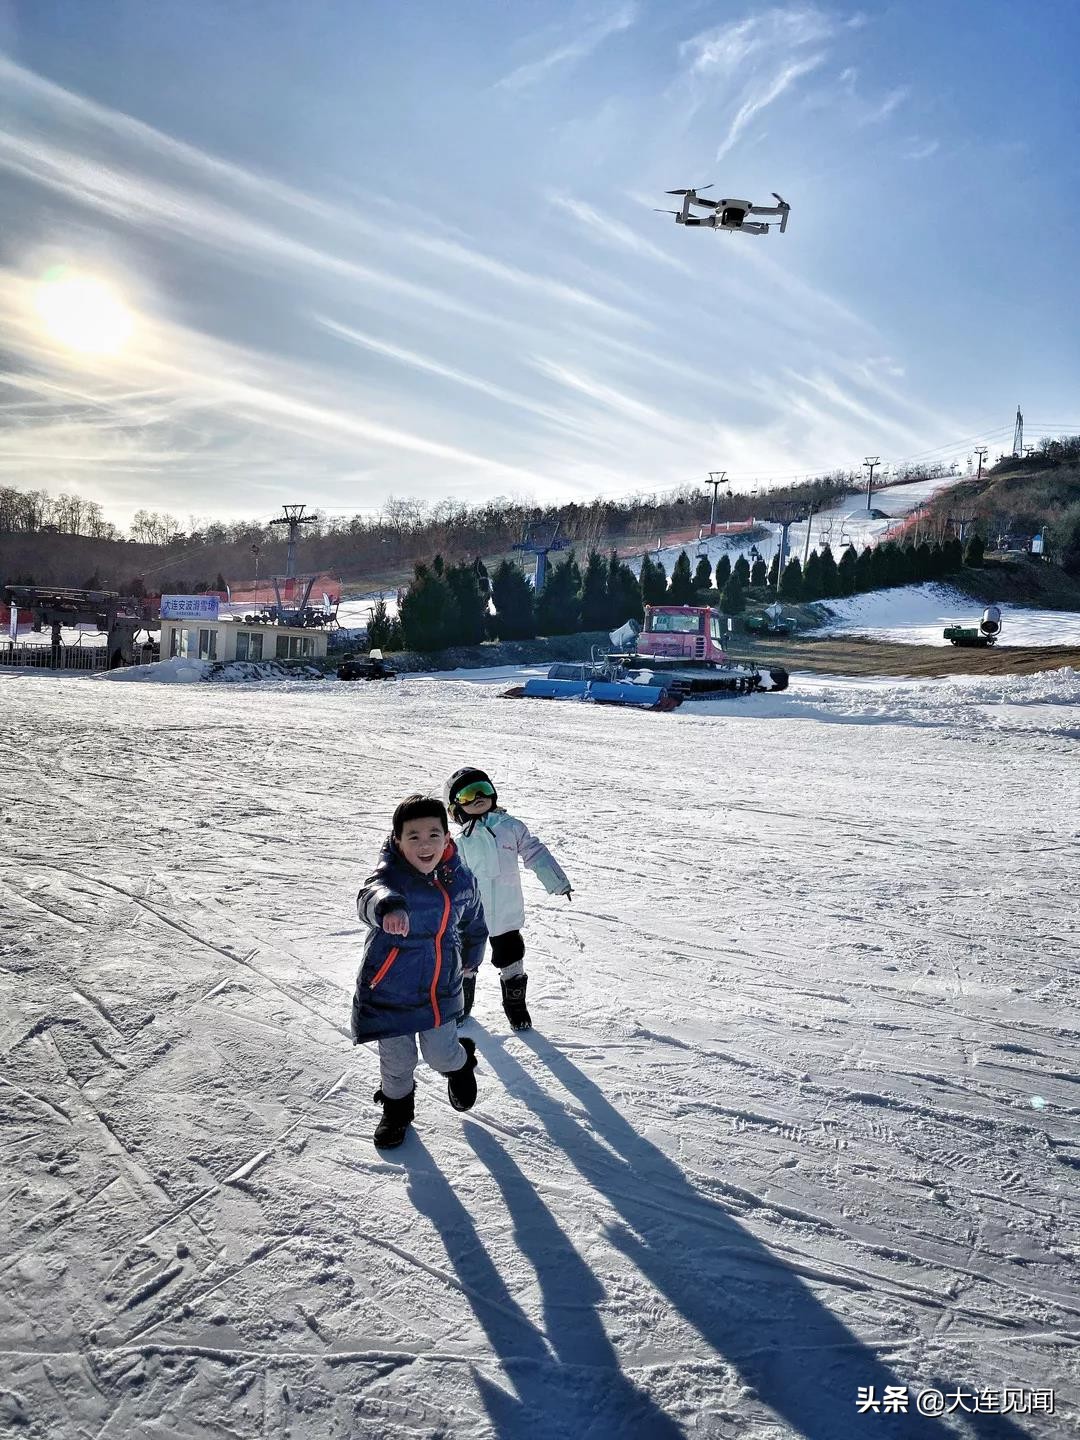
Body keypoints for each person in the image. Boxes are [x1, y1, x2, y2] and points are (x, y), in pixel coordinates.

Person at [352, 794, 487, 1150]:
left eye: (433, 834)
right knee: (397, 1061)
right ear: (397, 840)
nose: (424, 844)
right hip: (390, 991)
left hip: (440, 989)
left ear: (447, 837)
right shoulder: (391, 877)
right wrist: (387, 908)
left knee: (440, 1054)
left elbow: (474, 920)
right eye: (413, 836)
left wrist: (473, 955)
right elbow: (369, 894)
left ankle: (461, 1063)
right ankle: (397, 1111)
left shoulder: (460, 880)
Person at [445, 767, 571, 1032]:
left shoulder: (510, 827)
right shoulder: (459, 842)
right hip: (471, 917)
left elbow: (535, 853)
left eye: (484, 789)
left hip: (506, 912)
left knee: (511, 955)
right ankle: (461, 1002)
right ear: (456, 806)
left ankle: (515, 1005)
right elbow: (451, 877)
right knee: (466, 958)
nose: (478, 796)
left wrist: (556, 881)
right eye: (468, 794)